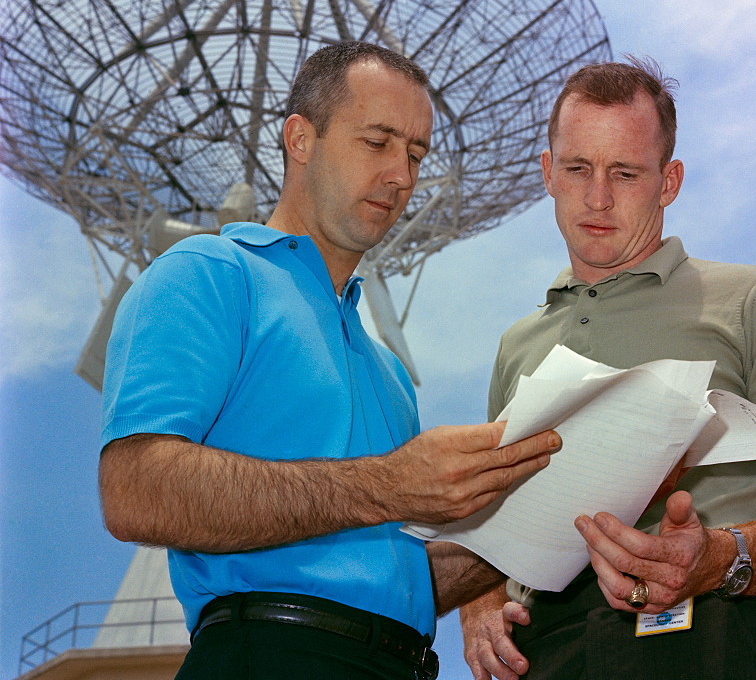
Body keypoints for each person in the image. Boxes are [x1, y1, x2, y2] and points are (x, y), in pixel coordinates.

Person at [99, 40, 561, 680]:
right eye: (377, 142)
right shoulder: (207, 274)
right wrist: (390, 484)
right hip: (269, 656)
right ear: (300, 139)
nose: (402, 175)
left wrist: (553, 520)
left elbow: (391, 579)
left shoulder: (389, 376)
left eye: (416, 154)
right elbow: (134, 490)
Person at [460, 58, 756, 680]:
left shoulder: (749, 300)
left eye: (625, 173)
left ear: (669, 181)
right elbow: (494, 527)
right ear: (548, 172)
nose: (598, 197)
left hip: (705, 638)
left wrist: (719, 559)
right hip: (542, 655)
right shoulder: (516, 346)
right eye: (578, 168)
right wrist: (479, 603)